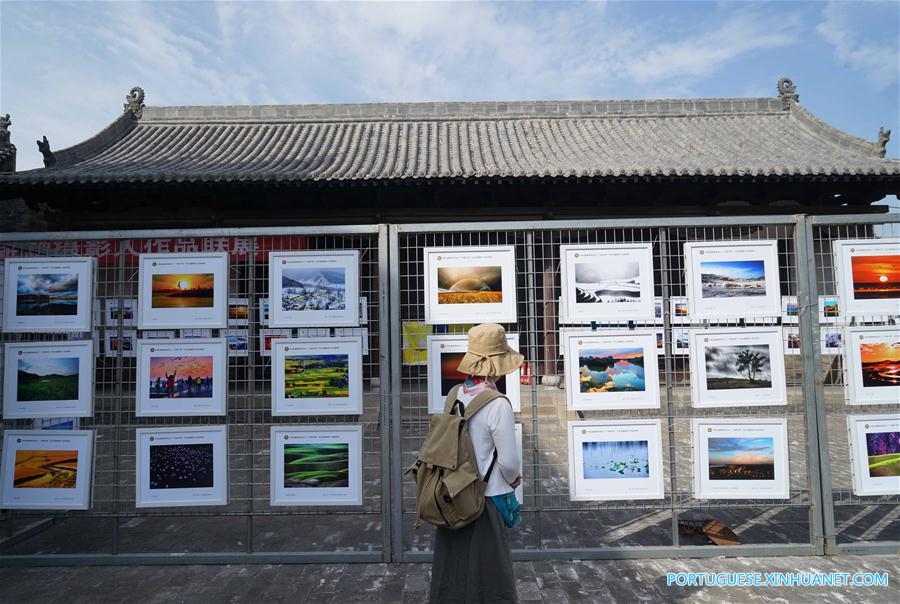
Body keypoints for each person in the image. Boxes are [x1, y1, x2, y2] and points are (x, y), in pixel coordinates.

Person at [429, 323, 523, 604]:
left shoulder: (455, 393)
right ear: (497, 366)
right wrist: (514, 478)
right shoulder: (497, 404)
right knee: (491, 573)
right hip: (486, 497)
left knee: (453, 567)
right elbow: (508, 463)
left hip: (453, 494)